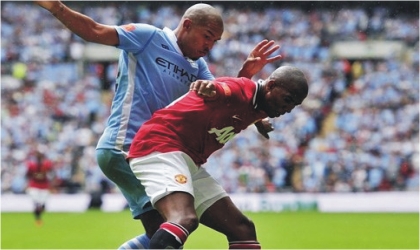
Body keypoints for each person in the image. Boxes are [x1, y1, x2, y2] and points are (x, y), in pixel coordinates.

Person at [34, 1, 282, 248]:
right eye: (207, 37)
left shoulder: (198, 66)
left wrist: (246, 80)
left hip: (161, 152)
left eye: (215, 41)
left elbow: (223, 99)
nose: (209, 46)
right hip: (125, 146)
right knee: (176, 225)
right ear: (187, 25)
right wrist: (57, 7)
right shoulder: (148, 37)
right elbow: (95, 30)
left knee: (166, 235)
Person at [127, 65, 309, 248]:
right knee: (184, 218)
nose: (288, 109)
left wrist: (257, 121)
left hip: (186, 159)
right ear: (270, 85)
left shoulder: (260, 107)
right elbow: (223, 89)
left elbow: (245, 104)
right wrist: (210, 88)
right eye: (287, 100)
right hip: (158, 146)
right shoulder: (240, 90)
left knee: (243, 230)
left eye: (294, 105)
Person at [25, 145, 55, 226]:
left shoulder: (47, 164)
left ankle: (39, 216)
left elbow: (52, 173)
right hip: (34, 185)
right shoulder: (31, 164)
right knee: (36, 203)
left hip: (44, 186)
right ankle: (38, 219)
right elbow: (27, 175)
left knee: (43, 205)